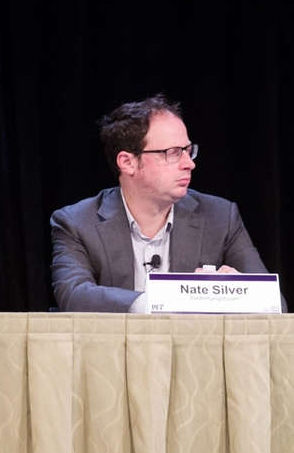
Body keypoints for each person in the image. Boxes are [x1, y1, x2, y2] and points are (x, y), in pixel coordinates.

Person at [50, 94, 280, 313]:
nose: (189, 164)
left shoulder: (220, 217)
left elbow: (275, 304)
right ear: (127, 162)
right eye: (172, 152)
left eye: (188, 151)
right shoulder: (77, 223)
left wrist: (232, 293)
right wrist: (168, 300)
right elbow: (74, 295)